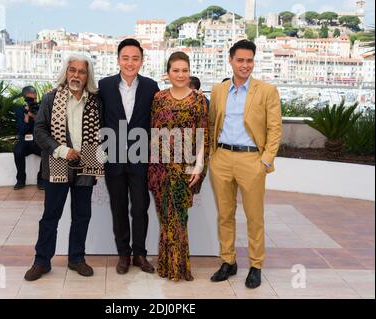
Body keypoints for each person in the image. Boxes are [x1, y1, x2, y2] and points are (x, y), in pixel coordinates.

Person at [209, 40, 282, 289]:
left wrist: (265, 161)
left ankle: (256, 265)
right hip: (222, 159)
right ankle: (228, 261)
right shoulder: (218, 91)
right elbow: (211, 125)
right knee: (225, 215)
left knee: (254, 217)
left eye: (249, 60)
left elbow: (275, 130)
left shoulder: (267, 90)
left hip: (252, 160)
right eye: (240, 60)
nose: (245, 65)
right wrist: (212, 155)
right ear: (230, 61)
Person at [24, 55, 104, 281]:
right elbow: (39, 131)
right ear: (66, 72)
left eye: (82, 71)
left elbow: (104, 133)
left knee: (82, 215)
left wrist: (100, 159)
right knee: (51, 215)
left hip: (88, 161)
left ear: (88, 76)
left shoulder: (95, 101)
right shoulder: (51, 98)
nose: (76, 75)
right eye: (73, 70)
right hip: (57, 162)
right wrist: (61, 150)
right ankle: (42, 261)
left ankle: (76, 258)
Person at [98, 38, 159, 275]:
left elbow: (157, 122)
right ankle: (123, 255)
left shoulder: (151, 87)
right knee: (119, 207)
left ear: (142, 61)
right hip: (113, 158)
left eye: (135, 58)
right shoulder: (104, 86)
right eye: (126, 58)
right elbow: (97, 118)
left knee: (140, 208)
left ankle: (140, 255)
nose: (130, 62)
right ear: (118, 60)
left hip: (140, 158)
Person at [149, 52, 209, 282]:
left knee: (179, 217)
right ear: (168, 73)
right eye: (176, 70)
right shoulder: (159, 98)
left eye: (185, 70)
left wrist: (199, 166)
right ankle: (168, 266)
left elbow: (204, 134)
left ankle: (177, 267)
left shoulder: (199, 100)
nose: (181, 75)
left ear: (190, 71)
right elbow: (154, 132)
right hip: (161, 167)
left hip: (186, 166)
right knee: (166, 217)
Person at [13, 86, 44, 190]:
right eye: (30, 99)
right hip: (24, 140)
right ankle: (20, 180)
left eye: (34, 99)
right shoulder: (20, 110)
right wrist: (26, 117)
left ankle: (41, 180)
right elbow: (22, 130)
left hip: (37, 140)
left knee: (46, 152)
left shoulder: (40, 108)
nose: (33, 101)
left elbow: (43, 126)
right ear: (24, 98)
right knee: (17, 151)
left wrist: (34, 116)